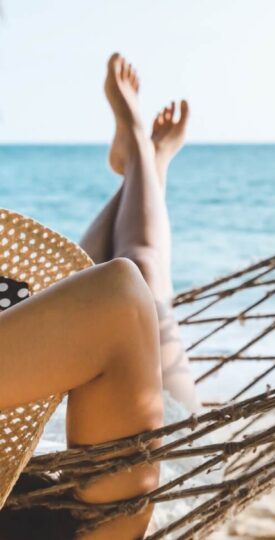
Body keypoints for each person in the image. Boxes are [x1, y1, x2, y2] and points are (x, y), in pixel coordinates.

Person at [0, 52, 198, 539]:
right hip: (108, 415)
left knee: (124, 275)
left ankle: (141, 159)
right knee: (140, 273)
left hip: (55, 403)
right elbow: (114, 298)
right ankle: (142, 158)